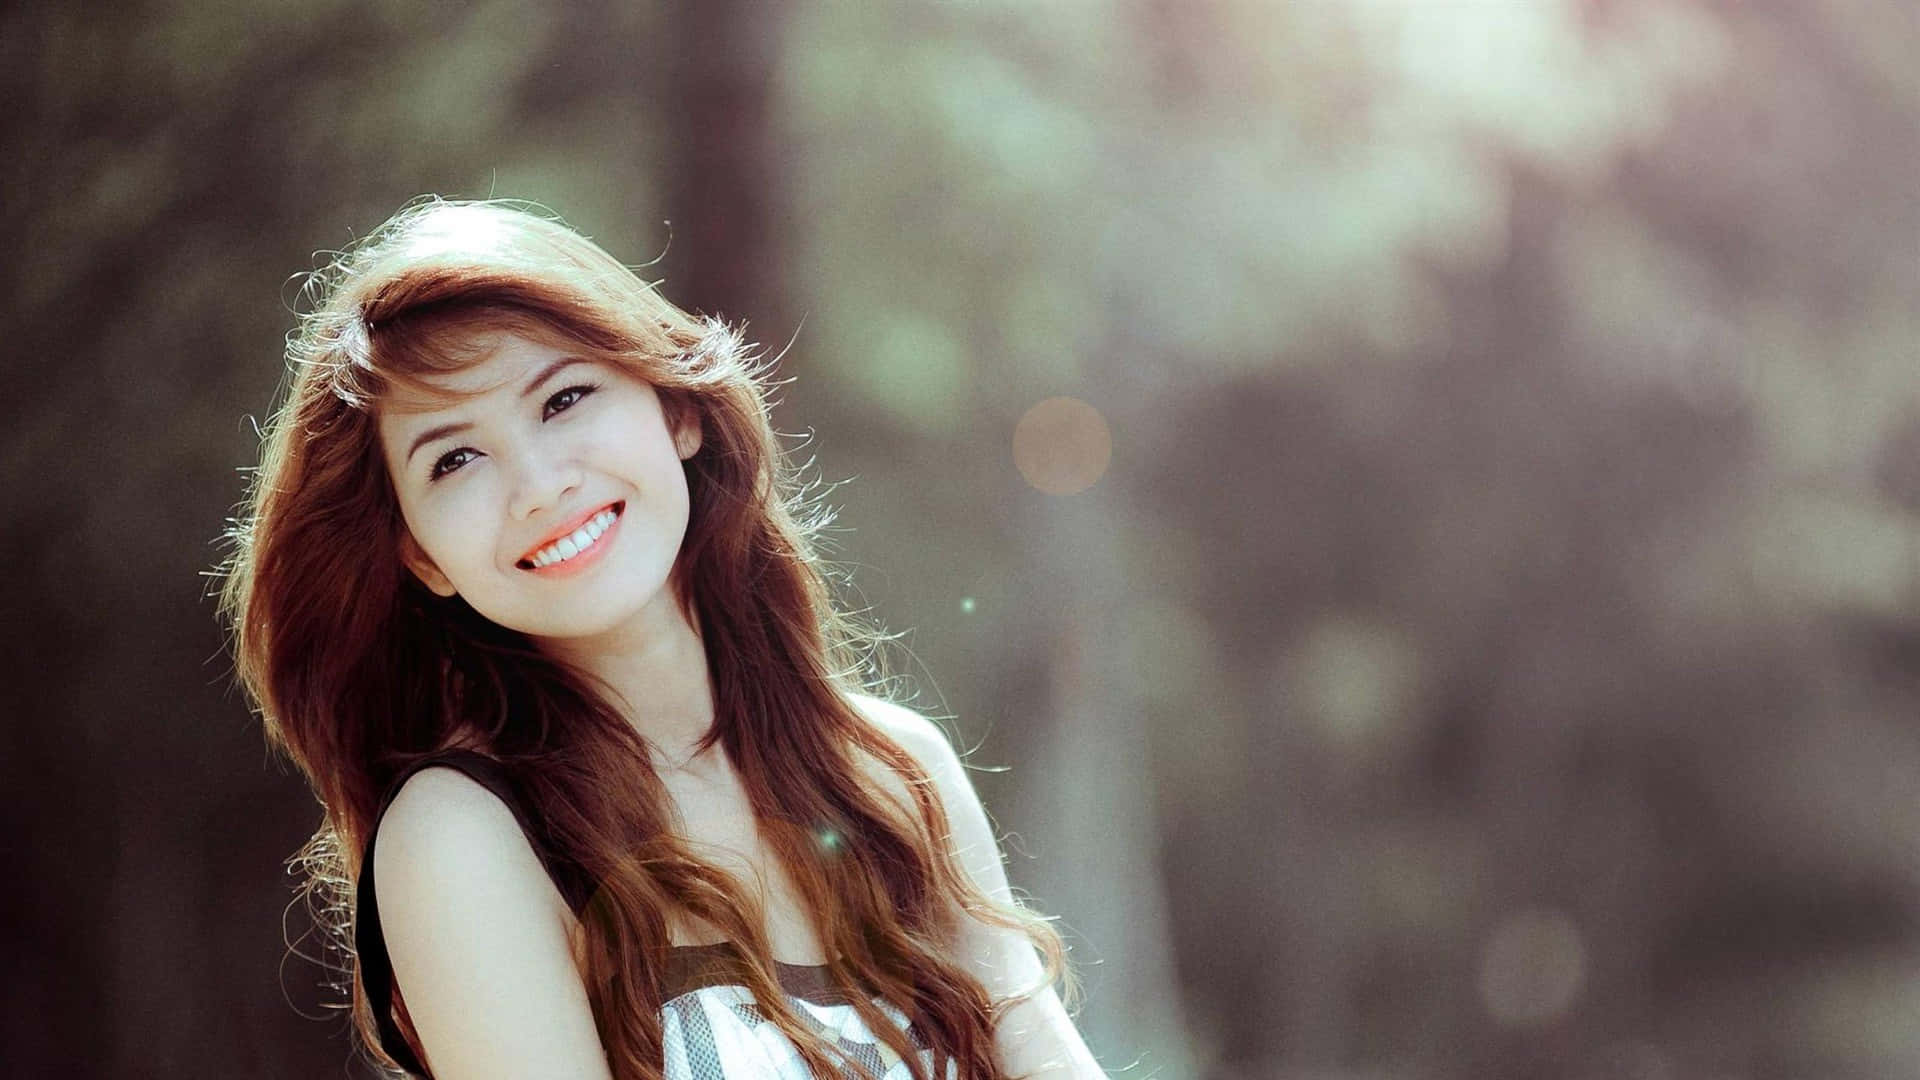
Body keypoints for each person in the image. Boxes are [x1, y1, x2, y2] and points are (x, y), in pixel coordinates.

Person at [218, 198, 1105, 1080]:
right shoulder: (467, 838)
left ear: (676, 409)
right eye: (455, 459)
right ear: (422, 555)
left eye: (564, 399)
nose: (538, 485)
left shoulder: (895, 772)